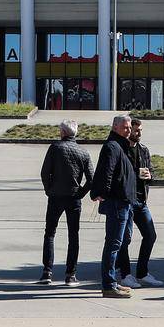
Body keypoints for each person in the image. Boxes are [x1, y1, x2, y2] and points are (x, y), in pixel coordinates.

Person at [38, 120, 92, 284]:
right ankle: (71, 274)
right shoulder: (83, 152)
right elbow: (92, 179)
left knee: (50, 233)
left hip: (55, 196)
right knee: (73, 235)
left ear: (62, 132)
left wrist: (49, 190)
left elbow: (44, 172)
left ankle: (47, 272)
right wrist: (81, 193)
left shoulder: (55, 148)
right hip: (74, 197)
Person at [90, 115, 138, 298]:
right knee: (113, 244)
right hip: (117, 202)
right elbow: (106, 171)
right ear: (115, 127)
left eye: (129, 128)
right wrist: (101, 193)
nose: (128, 130)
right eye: (125, 127)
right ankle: (109, 285)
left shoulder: (120, 146)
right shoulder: (112, 146)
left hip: (124, 202)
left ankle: (113, 282)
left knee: (120, 242)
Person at [113, 118, 162, 287]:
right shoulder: (120, 149)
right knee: (124, 239)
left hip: (141, 200)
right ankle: (125, 274)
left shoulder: (143, 150)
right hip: (126, 200)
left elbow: (150, 171)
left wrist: (150, 176)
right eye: (136, 130)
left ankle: (142, 272)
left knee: (150, 235)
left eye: (140, 130)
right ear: (128, 130)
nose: (139, 133)